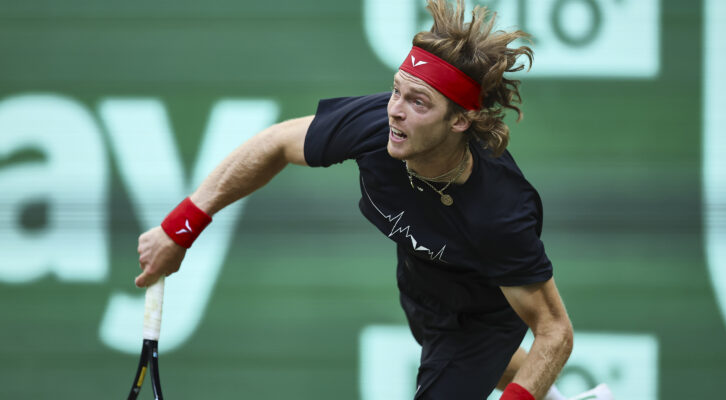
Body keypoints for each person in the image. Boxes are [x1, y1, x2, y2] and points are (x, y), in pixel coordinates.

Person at [135, 1, 612, 399]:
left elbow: (555, 331)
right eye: (396, 92)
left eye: (418, 103)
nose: (396, 112)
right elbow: (274, 144)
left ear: (460, 120)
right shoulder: (379, 127)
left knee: (475, 357)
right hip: (423, 287)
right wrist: (180, 228)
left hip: (480, 315)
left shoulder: (499, 214)